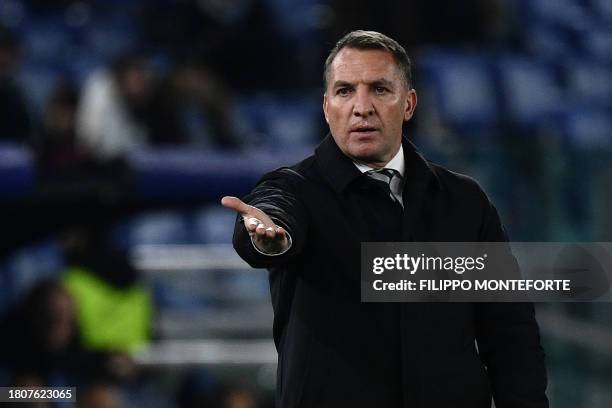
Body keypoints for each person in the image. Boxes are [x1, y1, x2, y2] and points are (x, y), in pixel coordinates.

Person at [222, 30, 548, 408]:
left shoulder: (464, 202)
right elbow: (272, 213)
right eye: (345, 91)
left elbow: (509, 334)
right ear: (327, 107)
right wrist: (269, 238)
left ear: (408, 104)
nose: (362, 107)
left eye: (379, 89)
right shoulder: (295, 190)